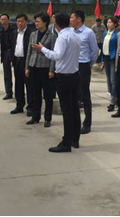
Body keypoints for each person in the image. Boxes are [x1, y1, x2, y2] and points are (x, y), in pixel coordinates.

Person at [32, 13, 82, 152]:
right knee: (74, 109)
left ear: (56, 25)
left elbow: (57, 56)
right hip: (74, 74)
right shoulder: (75, 36)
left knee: (67, 110)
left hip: (64, 77)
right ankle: (75, 139)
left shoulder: (62, 37)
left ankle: (66, 142)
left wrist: (42, 49)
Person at [25, 12, 56, 126]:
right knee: (35, 93)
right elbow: (29, 51)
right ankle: (35, 116)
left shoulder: (52, 36)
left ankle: (48, 118)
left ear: (45, 22)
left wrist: (51, 70)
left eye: (38, 21)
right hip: (34, 66)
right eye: (35, 21)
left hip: (45, 67)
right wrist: (27, 67)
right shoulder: (33, 34)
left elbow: (53, 54)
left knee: (47, 95)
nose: (36, 23)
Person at [71, 10, 99, 134]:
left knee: (85, 95)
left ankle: (87, 123)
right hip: (72, 65)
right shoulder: (70, 32)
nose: (70, 20)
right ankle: (74, 122)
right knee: (73, 95)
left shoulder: (88, 32)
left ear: (79, 19)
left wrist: (89, 63)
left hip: (83, 65)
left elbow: (95, 51)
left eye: (72, 17)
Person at [10, 14, 35, 116]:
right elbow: (12, 46)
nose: (20, 23)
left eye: (22, 21)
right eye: (18, 21)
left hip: (26, 61)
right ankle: (19, 105)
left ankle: (30, 107)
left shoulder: (31, 33)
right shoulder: (14, 33)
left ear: (26, 22)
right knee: (18, 84)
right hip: (17, 60)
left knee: (29, 85)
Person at [101, 17, 119, 112]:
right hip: (106, 57)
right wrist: (102, 59)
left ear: (115, 24)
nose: (109, 24)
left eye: (111, 22)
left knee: (113, 80)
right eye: (108, 22)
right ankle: (112, 97)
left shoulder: (117, 34)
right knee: (108, 79)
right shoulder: (105, 33)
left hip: (113, 58)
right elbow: (103, 46)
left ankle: (113, 101)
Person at [0, 13, 14, 100]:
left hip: (14, 51)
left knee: (18, 73)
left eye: (4, 19)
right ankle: (9, 92)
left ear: (8, 20)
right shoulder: (0, 30)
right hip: (5, 52)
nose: (3, 21)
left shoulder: (13, 30)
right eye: (1, 20)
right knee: (7, 73)